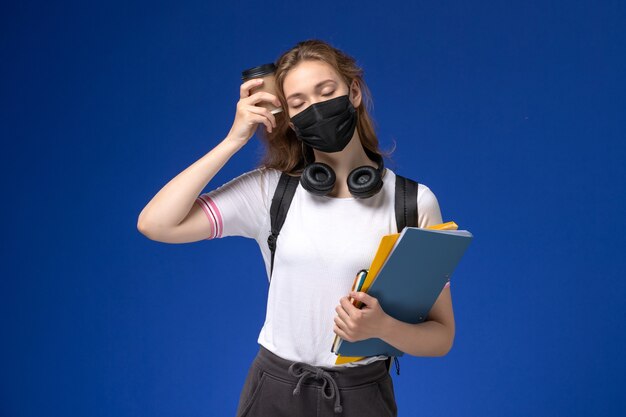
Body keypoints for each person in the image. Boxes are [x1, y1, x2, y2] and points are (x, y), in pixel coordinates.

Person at [137, 39, 455, 417]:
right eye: (299, 102)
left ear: (353, 91)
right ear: (286, 115)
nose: (317, 108)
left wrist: (383, 326)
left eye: (327, 91)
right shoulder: (270, 191)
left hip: (361, 396)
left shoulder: (412, 203)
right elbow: (155, 224)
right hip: (274, 392)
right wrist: (234, 140)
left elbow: (441, 336)